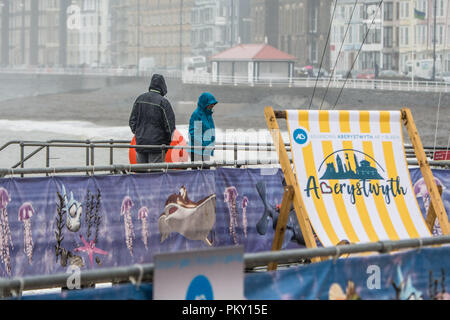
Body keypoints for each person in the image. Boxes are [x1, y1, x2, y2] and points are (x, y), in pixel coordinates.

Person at [129, 74, 176, 164]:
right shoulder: (163, 102)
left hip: (141, 144)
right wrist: (166, 144)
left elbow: (132, 121)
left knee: (140, 174)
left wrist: (139, 133)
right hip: (157, 146)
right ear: (163, 86)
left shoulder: (140, 99)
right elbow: (170, 127)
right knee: (155, 175)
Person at [189, 92, 218, 163]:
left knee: (206, 171)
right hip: (197, 150)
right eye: (210, 105)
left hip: (205, 150)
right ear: (204, 104)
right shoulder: (197, 115)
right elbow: (194, 133)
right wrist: (203, 145)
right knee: (197, 173)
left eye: (213, 105)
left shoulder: (208, 115)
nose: (212, 107)